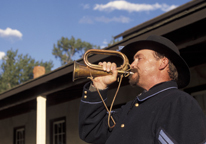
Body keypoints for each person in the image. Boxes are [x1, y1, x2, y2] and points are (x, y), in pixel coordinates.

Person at [78, 35, 206, 144]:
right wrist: (99, 86)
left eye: (139, 58)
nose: (132, 64)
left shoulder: (179, 102)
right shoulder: (132, 107)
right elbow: (90, 131)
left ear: (163, 63)